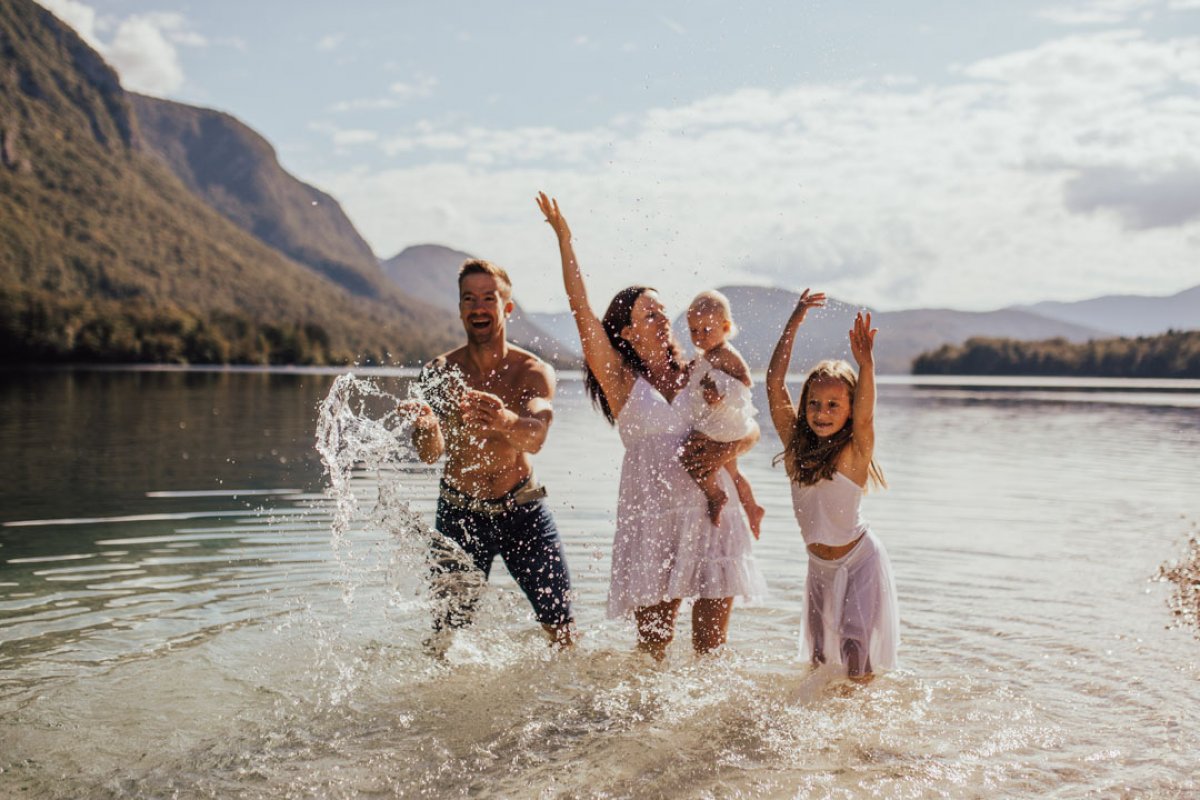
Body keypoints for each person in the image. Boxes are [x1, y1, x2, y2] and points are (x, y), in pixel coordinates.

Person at [536, 191, 766, 660]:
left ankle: (709, 729)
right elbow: (580, 308)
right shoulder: (621, 381)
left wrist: (726, 456)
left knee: (711, 650)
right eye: (649, 313)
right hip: (652, 519)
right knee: (652, 649)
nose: (663, 318)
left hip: (709, 514)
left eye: (664, 311)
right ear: (624, 331)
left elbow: (750, 427)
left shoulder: (702, 370)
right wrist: (566, 239)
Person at [398, 259, 574, 648]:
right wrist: (427, 428)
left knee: (560, 627)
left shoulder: (532, 371)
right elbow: (431, 454)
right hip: (460, 515)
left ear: (506, 308)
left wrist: (505, 421)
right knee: (444, 633)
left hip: (522, 511)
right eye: (469, 298)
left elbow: (536, 438)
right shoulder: (440, 372)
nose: (478, 306)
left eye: (488, 298)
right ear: (461, 308)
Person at [765, 289, 899, 680]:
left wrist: (867, 366)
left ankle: (858, 728)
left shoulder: (854, 454)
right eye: (814, 403)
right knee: (821, 660)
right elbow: (774, 385)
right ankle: (823, 727)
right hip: (819, 566)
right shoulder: (795, 447)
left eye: (834, 405)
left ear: (849, 407)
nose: (822, 413)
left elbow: (867, 419)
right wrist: (794, 322)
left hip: (859, 562)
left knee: (857, 654)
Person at [680, 290, 766, 537]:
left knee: (689, 454)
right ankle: (752, 507)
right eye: (694, 331)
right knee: (732, 470)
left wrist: (720, 395)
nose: (699, 337)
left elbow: (745, 380)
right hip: (723, 422)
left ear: (726, 327)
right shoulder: (707, 355)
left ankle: (714, 494)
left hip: (724, 422)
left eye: (707, 330)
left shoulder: (726, 354)